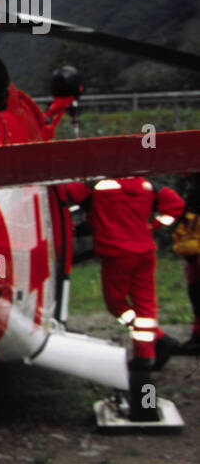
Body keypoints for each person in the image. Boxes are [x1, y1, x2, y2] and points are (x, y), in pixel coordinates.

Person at [62, 176, 185, 422]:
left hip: (116, 254)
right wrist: (154, 226)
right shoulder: (146, 184)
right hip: (144, 251)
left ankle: (155, 343)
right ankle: (146, 353)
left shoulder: (95, 184)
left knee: (117, 304)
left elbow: (64, 194)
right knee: (146, 308)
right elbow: (176, 205)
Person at [173, 173, 200, 353]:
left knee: (197, 292)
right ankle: (197, 337)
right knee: (196, 292)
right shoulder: (192, 189)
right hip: (192, 250)